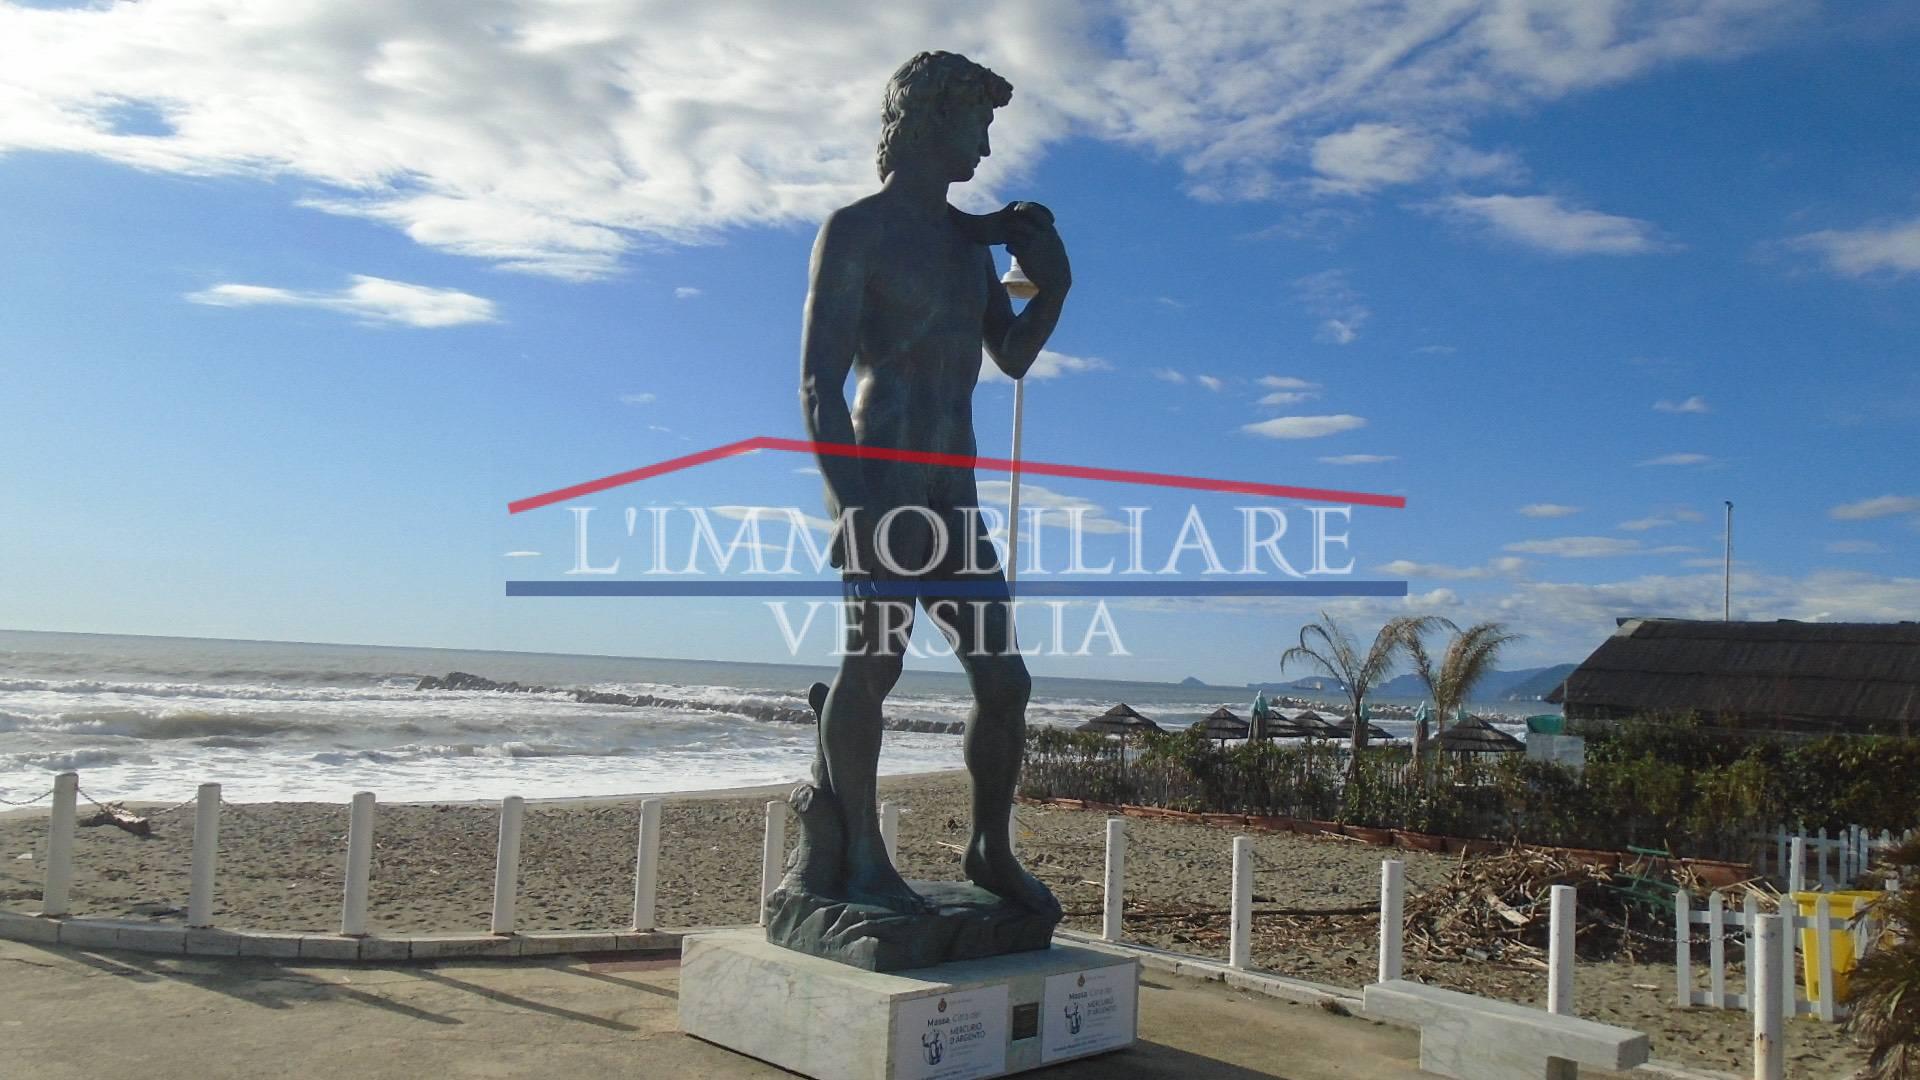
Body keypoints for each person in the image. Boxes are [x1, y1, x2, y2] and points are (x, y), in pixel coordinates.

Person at [797, 51, 1071, 915]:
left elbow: (1011, 355)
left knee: (1005, 682)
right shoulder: (857, 229)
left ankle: (989, 849)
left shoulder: (966, 248)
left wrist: (1056, 287)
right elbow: (818, 384)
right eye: (977, 125)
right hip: (882, 481)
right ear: (928, 120)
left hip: (956, 493)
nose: (985, 148)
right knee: (873, 665)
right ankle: (860, 856)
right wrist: (852, 509)